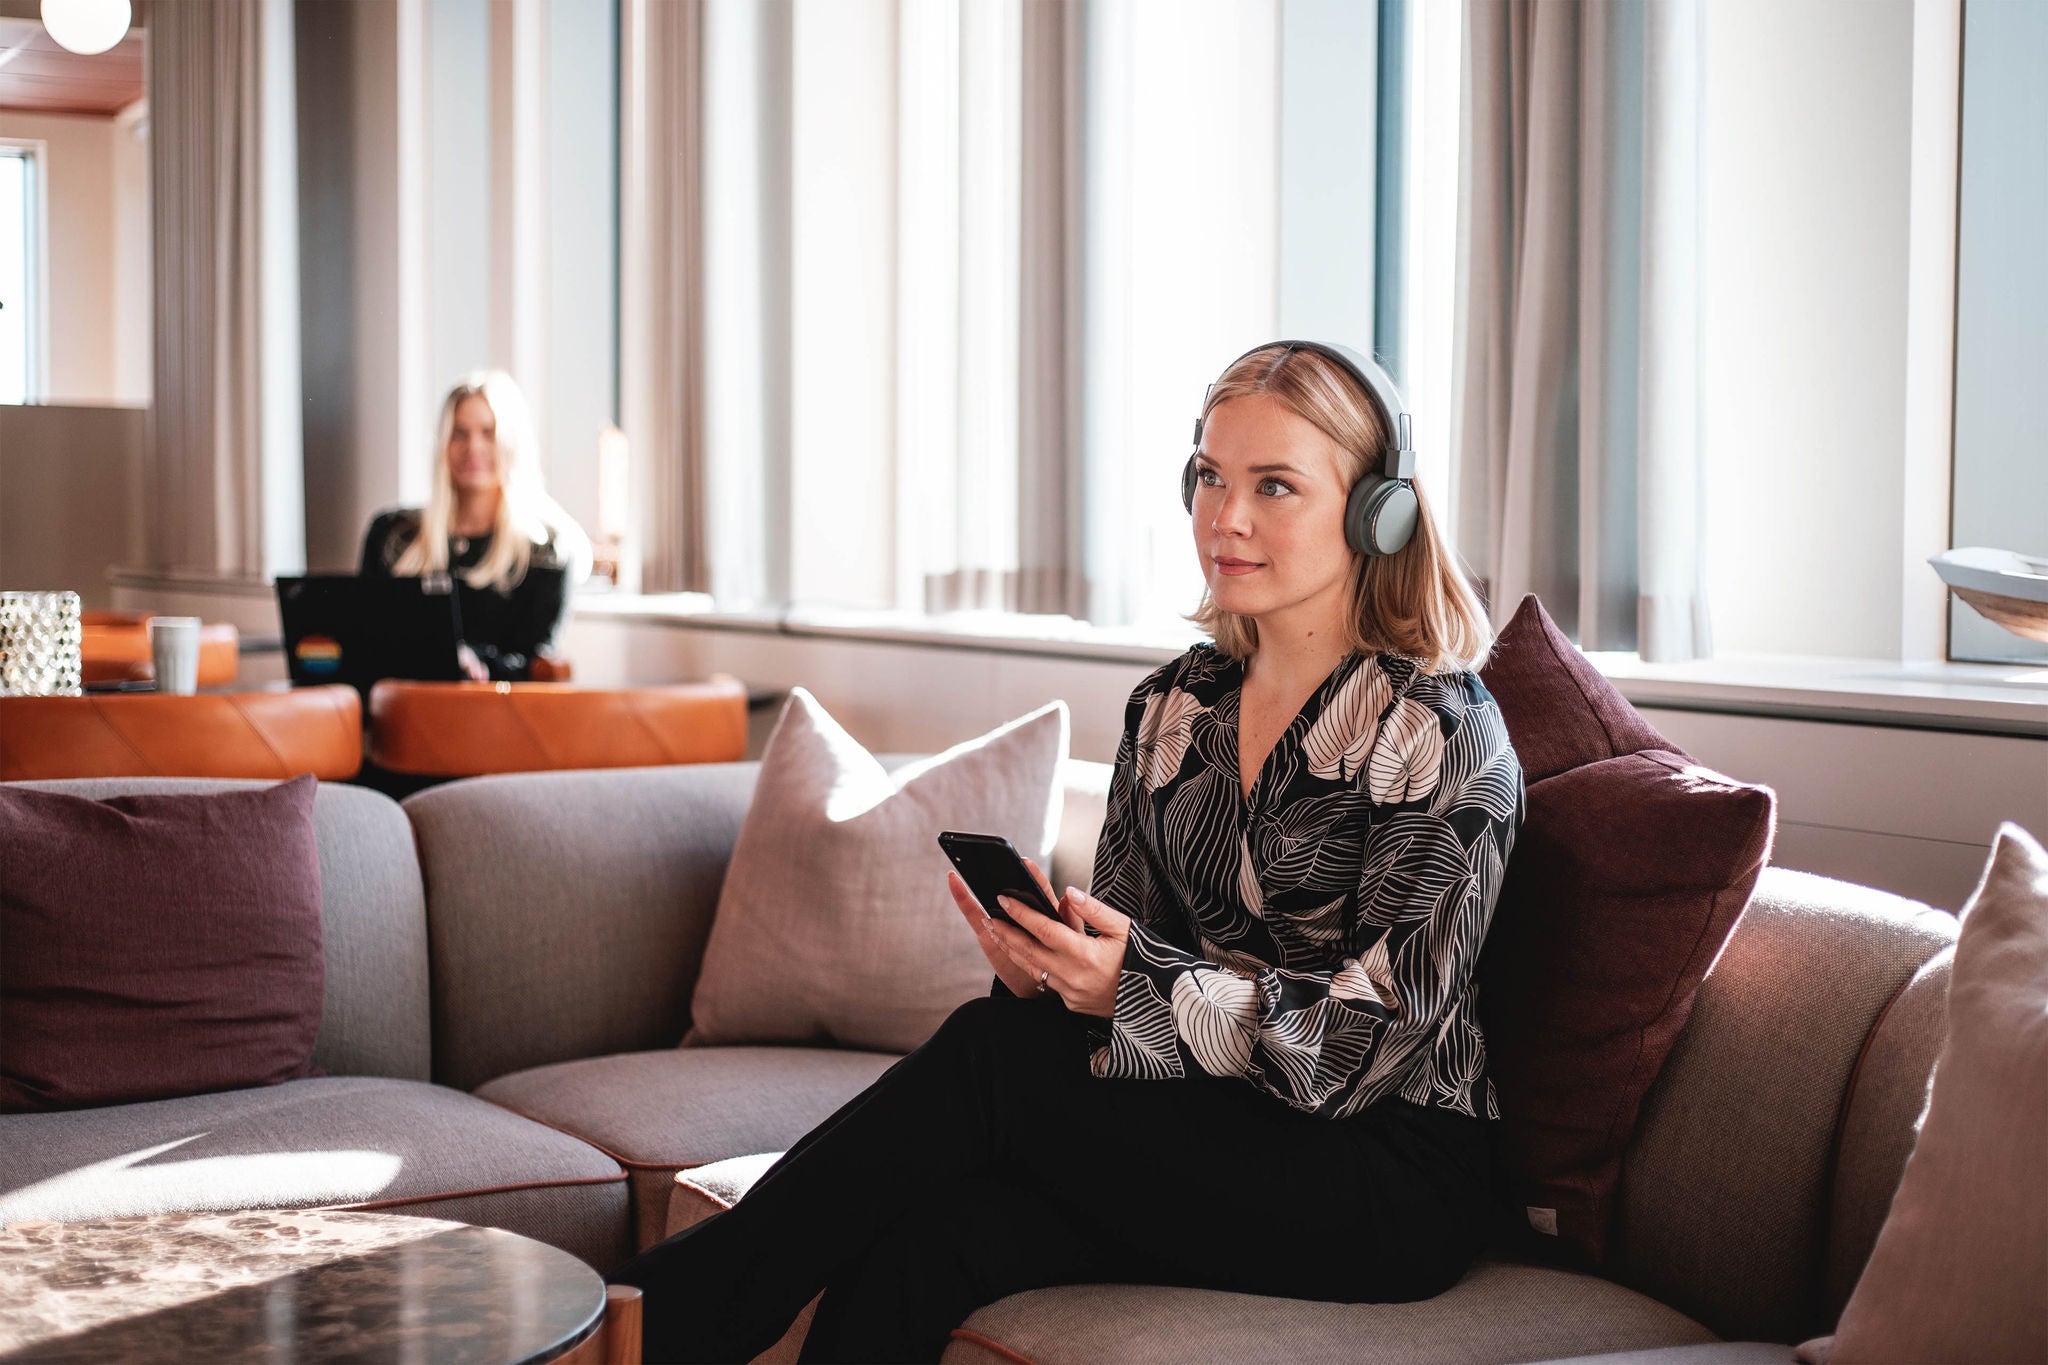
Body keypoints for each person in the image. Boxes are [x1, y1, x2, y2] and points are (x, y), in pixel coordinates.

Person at [608, 340, 1524, 1363]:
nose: (1226, 517)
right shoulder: (1175, 708)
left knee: (990, 1060)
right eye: (1209, 477)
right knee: (934, 1235)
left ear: (1375, 513)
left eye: (1275, 486)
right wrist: (1053, 975)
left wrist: (1126, 984)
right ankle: (656, 1325)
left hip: (1381, 1172)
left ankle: (644, 1328)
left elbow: (1363, 1049)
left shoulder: (1441, 735)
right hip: (1219, 1129)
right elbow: (1126, 982)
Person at [359, 370, 592, 682]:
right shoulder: (393, 535)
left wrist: (477, 661)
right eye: (459, 433)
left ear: (512, 443)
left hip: (497, 717)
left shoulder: (547, 551)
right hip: (404, 712)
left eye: (488, 433)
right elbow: (366, 636)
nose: (473, 447)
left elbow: (535, 662)